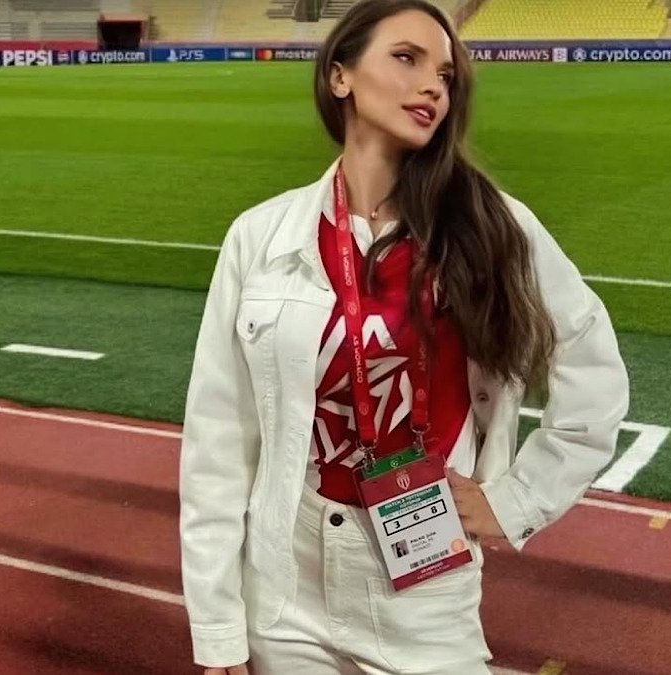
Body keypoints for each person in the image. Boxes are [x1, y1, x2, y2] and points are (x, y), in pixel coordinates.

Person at [178, 1, 629, 674]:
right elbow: (218, 438)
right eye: (406, 59)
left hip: (424, 593)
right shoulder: (260, 236)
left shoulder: (493, 227)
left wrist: (516, 500)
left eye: (445, 75)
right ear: (340, 76)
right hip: (285, 585)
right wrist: (218, 628)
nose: (432, 88)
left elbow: (592, 367)